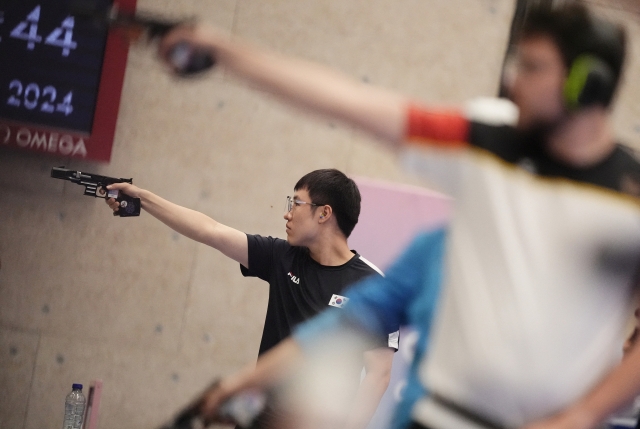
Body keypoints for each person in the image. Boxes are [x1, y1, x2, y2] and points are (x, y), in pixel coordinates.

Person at [156, 3, 640, 429]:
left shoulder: (631, 203)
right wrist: (224, 51)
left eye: (533, 68)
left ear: (587, 83)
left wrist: (582, 416)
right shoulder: (489, 142)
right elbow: (349, 103)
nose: (515, 81)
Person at [104, 168, 399, 429]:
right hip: (258, 417)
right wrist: (142, 197)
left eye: (295, 204)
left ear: (324, 213)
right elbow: (210, 231)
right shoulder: (282, 257)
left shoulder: (372, 285)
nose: (287, 213)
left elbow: (378, 376)